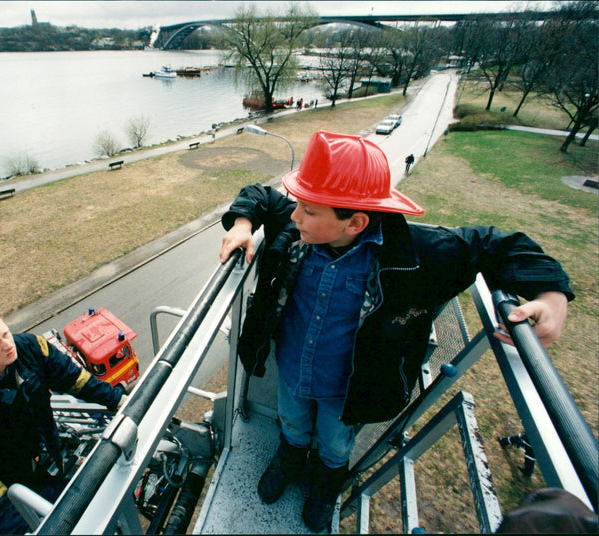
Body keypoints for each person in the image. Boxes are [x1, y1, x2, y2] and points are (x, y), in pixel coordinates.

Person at [218, 131, 573, 532]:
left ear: (355, 221)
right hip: (292, 369)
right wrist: (245, 223)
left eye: (308, 209)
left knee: (335, 445)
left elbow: (495, 244)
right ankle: (290, 457)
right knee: (293, 421)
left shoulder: (419, 255)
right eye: (298, 205)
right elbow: (260, 195)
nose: (294, 216)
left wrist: (551, 296)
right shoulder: (300, 230)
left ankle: (326, 484)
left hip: (348, 391)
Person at [0, 307, 126, 534]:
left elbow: (74, 379)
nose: (7, 344)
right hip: (13, 483)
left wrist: (119, 400)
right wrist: (28, 529)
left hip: (46, 454)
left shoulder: (30, 347)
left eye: (5, 333)